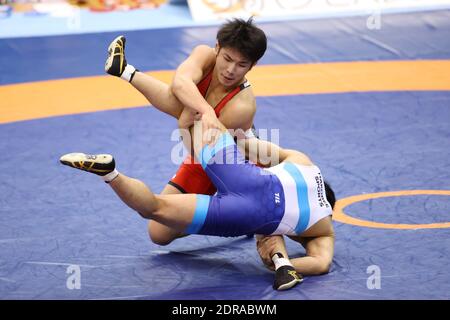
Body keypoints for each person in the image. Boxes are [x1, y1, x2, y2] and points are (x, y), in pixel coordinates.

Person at [60, 113, 336, 291]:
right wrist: (284, 261)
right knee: (155, 209)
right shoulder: (323, 228)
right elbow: (321, 264)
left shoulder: (304, 161)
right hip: (245, 214)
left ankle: (134, 76)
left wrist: (225, 136)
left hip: (248, 177)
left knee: (200, 122)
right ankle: (111, 174)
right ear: (331, 210)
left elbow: (253, 148)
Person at [104, 17, 267, 246]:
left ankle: (126, 72)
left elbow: (206, 157)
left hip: (237, 163)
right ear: (217, 48)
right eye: (227, 59)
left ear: (253, 65)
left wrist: (183, 125)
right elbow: (180, 82)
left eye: (241, 65)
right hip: (205, 146)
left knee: (184, 105)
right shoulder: (204, 54)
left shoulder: (242, 106)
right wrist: (206, 110)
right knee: (158, 233)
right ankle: (124, 71)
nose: (230, 70)